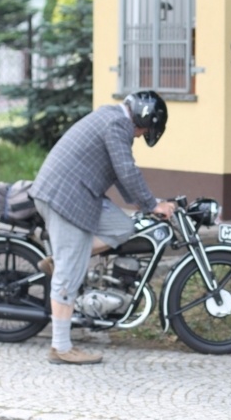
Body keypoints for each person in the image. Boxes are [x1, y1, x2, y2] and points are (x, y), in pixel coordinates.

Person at [30, 90, 177, 365]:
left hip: (81, 194)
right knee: (69, 273)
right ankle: (60, 347)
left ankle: (60, 259)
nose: (141, 135)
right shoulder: (117, 125)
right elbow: (126, 169)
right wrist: (151, 205)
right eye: (144, 130)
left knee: (122, 227)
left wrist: (150, 203)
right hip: (66, 197)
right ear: (142, 119)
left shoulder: (114, 120)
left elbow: (121, 173)